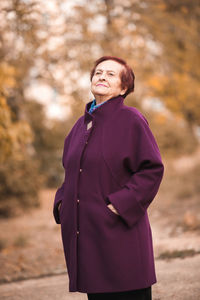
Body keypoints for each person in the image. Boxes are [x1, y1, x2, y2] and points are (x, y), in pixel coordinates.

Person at [53, 56, 164, 300]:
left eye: (111, 74)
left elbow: (152, 169)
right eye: (98, 72)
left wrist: (119, 205)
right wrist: (62, 202)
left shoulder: (132, 120)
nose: (102, 76)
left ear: (124, 87)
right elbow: (69, 171)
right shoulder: (78, 127)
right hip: (88, 237)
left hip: (120, 234)